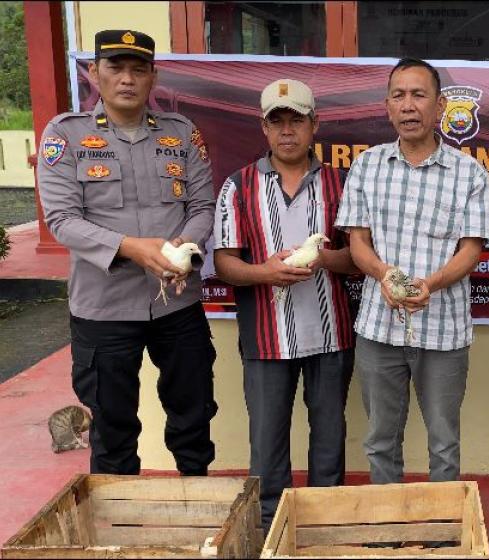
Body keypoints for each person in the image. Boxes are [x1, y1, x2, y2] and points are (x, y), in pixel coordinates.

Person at [36, 30, 217, 475]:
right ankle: (119, 534)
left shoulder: (182, 133)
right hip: (104, 310)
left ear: (154, 77)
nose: (127, 79)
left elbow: (202, 206)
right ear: (95, 73)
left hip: (178, 304)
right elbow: (61, 219)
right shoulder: (66, 135)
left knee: (192, 420)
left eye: (139, 70)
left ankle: (201, 516)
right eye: (116, 68)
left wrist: (181, 251)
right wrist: (131, 248)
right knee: (113, 431)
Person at [335, 58, 489, 487]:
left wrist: (431, 284)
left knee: (444, 443)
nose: (409, 106)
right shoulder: (367, 166)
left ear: (439, 106)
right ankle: (390, 529)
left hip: (443, 331)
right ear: (387, 106)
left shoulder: (470, 174)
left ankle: (442, 536)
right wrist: (385, 274)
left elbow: (472, 249)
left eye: (419, 95)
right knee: (380, 440)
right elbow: (357, 242)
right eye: (399, 95)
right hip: (378, 328)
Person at [212, 79, 358, 531]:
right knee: (267, 441)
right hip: (265, 336)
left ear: (315, 124)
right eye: (278, 121)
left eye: (297, 120)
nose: (287, 130)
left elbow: (359, 258)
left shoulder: (343, 182)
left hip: (331, 334)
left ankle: (322, 522)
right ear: (264, 127)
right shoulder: (238, 186)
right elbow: (222, 263)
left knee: (330, 438)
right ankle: (270, 526)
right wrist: (265, 273)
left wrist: (322, 258)